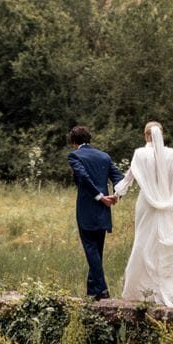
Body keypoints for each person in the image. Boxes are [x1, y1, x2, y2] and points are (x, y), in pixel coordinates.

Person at [114, 121, 173, 307]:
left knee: (142, 241)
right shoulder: (169, 153)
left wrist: (117, 194)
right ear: (161, 134)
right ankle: (169, 291)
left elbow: (129, 178)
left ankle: (138, 290)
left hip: (147, 203)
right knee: (161, 244)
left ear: (145, 135)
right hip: (165, 203)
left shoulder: (140, 154)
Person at [68, 125, 124, 301]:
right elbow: (119, 178)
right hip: (104, 210)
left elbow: (83, 177)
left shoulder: (75, 155)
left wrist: (100, 197)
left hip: (87, 209)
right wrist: (115, 195)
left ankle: (102, 290)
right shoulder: (104, 156)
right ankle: (92, 292)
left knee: (91, 249)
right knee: (97, 250)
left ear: (73, 142)